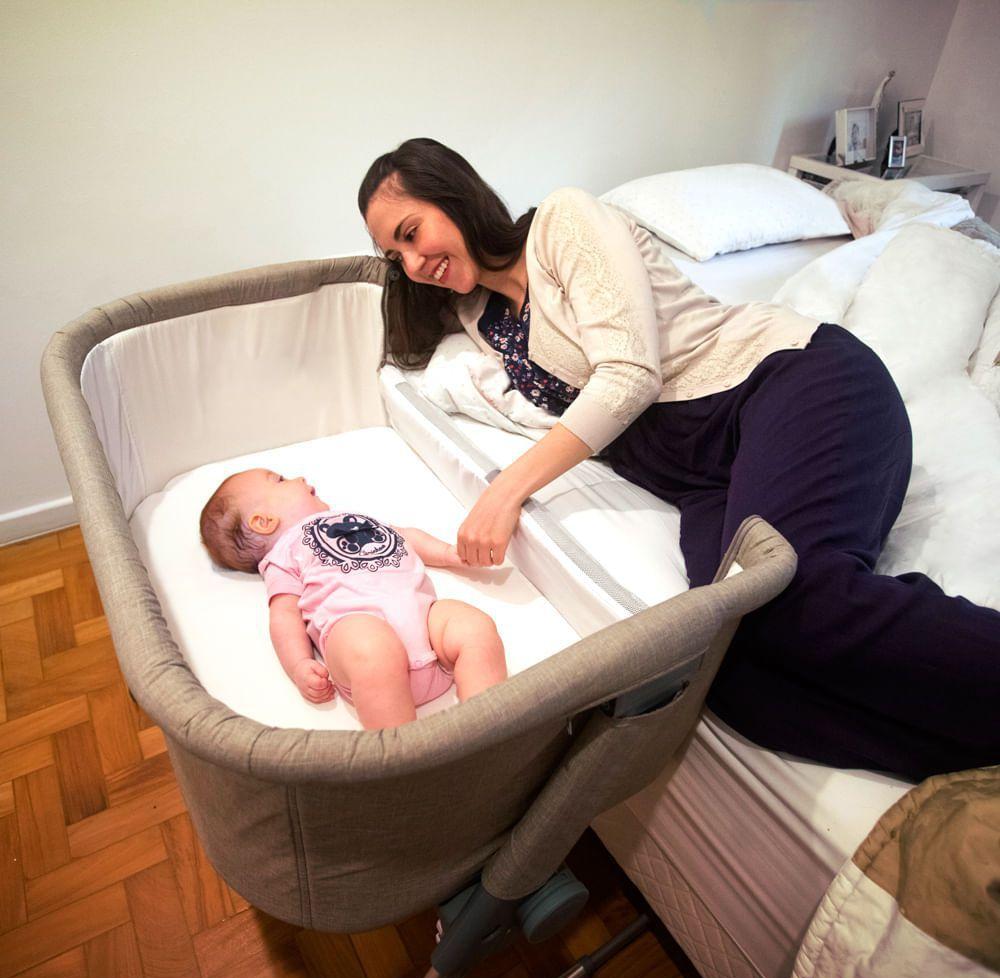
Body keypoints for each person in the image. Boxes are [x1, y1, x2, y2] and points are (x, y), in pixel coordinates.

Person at [357, 137, 1000, 780]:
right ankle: (973, 760)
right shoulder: (478, 315)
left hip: (788, 383)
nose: (413, 263)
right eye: (395, 255)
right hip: (703, 474)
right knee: (722, 668)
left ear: (454, 195)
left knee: (800, 596)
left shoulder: (564, 220)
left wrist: (504, 492)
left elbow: (631, 376)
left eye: (413, 233)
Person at [199, 467, 507, 728]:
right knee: (372, 648)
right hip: (359, 634)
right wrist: (299, 665)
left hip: (425, 624)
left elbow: (405, 536)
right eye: (279, 480)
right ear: (263, 521)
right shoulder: (283, 554)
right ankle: (406, 760)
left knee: (473, 626)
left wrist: (449, 554)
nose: (298, 478)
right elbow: (283, 614)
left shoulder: (352, 518)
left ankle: (485, 729)